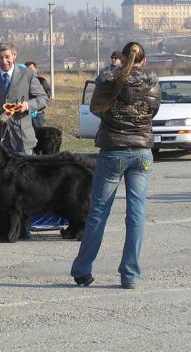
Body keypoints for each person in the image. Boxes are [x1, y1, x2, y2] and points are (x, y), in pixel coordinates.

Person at [71, 42, 160, 289]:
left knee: (98, 212)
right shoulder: (152, 83)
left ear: (120, 58)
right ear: (144, 60)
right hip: (141, 151)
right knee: (136, 213)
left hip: (113, 150)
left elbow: (95, 109)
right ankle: (130, 274)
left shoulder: (107, 81)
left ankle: (83, 269)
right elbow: (152, 111)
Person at [0, 43, 48, 154]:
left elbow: (43, 98)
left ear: (14, 55)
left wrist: (27, 105)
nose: (4, 61)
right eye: (1, 58)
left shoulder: (28, 74)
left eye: (7, 57)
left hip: (22, 139)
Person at [24, 61, 51, 128]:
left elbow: (47, 94)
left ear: (36, 69)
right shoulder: (22, 82)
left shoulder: (41, 80)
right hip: (25, 112)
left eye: (32, 69)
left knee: (39, 133)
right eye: (28, 70)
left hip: (38, 113)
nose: (30, 71)